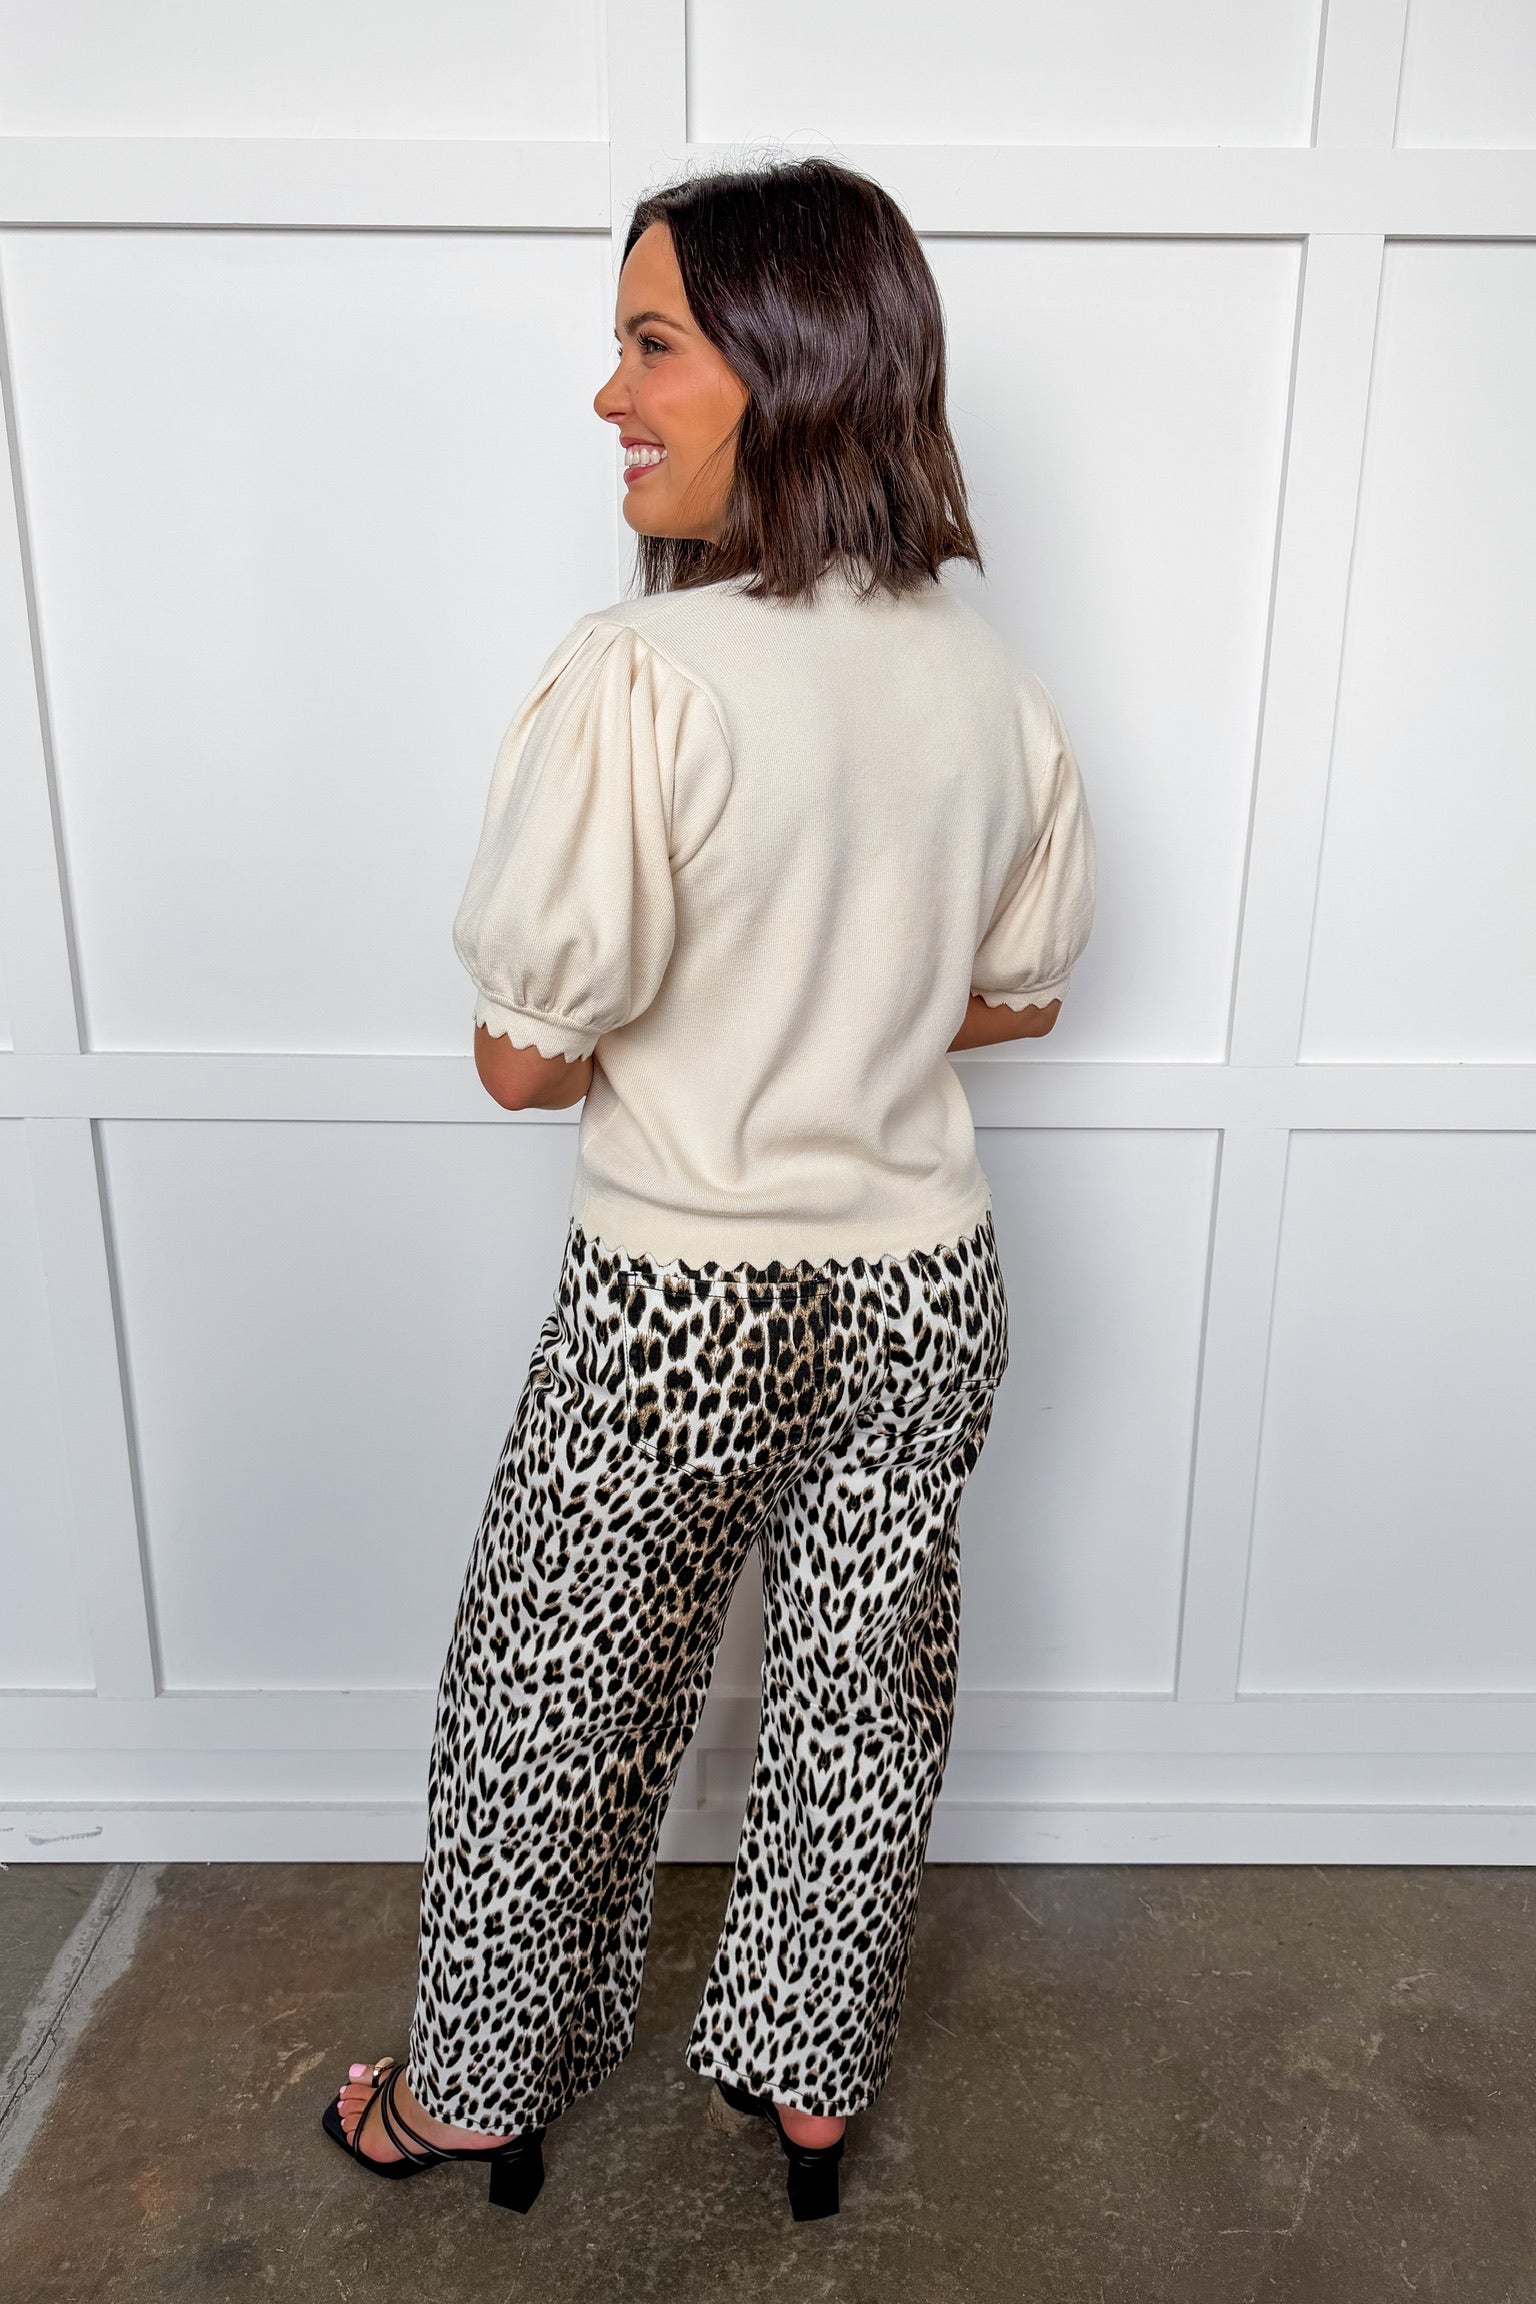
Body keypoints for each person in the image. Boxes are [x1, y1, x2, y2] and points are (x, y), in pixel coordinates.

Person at [322, 155, 1096, 2224]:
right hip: (925, 1283)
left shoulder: (647, 673)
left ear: (787, 360)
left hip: (684, 1295)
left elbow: (522, 1058)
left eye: (651, 344)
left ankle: (474, 2093)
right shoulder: (987, 680)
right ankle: (812, 2085)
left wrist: (703, 1023)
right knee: (863, 1690)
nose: (611, 395)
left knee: (553, 1700)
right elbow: (1022, 997)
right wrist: (848, 1007)